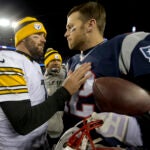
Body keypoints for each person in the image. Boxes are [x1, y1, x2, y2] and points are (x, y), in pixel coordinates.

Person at [60, 1, 150, 149]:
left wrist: (132, 130)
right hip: (71, 141)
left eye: (70, 28)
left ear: (90, 25)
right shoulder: (72, 62)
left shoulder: (123, 46)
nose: (66, 33)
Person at [0, 16, 91, 150]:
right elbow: (23, 123)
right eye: (37, 35)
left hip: (41, 142)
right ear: (22, 37)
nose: (43, 39)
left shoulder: (36, 66)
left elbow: (44, 106)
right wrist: (65, 91)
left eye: (43, 35)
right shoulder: (7, 61)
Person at [44, 48, 66, 147]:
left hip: (66, 122)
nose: (56, 63)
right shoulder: (41, 79)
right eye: (53, 60)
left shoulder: (67, 74)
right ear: (47, 63)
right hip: (49, 128)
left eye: (58, 60)